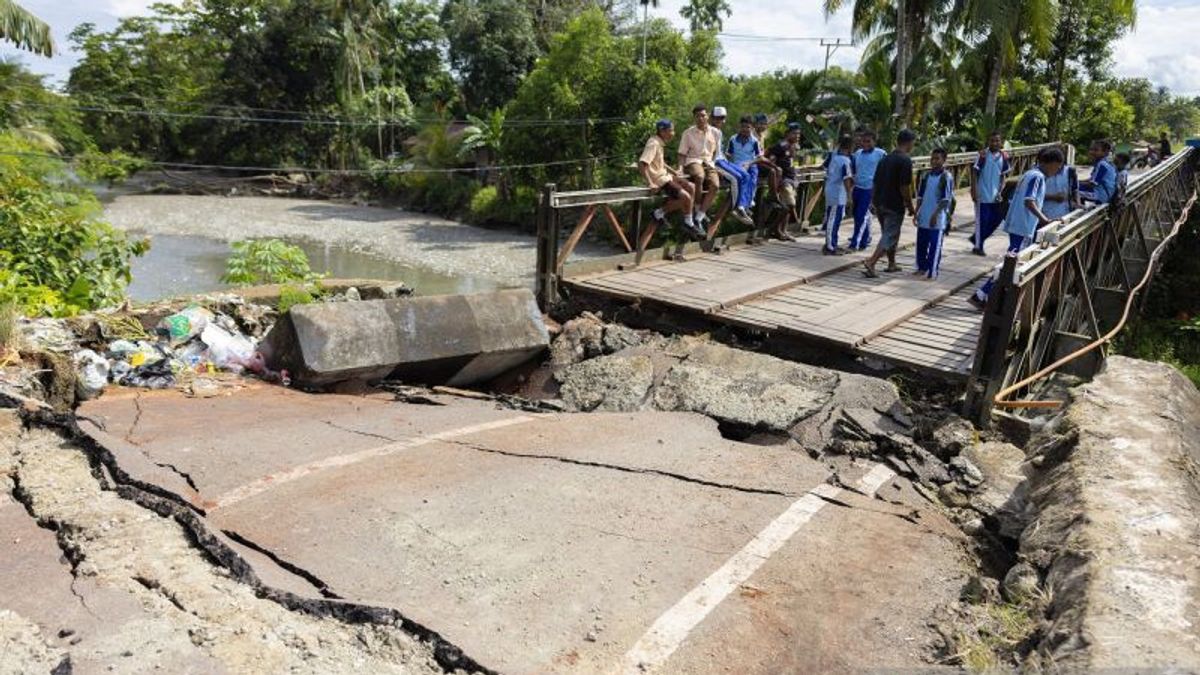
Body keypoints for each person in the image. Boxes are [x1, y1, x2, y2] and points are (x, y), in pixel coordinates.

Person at [968, 147, 1065, 309]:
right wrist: (1045, 220)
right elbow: (1029, 201)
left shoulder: (1029, 173)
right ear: (1052, 163)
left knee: (1012, 261)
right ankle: (981, 295)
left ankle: (987, 296)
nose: (1058, 170)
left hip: (1018, 224)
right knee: (1011, 264)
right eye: (1058, 166)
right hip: (1023, 226)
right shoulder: (1038, 177)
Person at [863, 129, 917, 278]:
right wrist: (910, 206)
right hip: (894, 204)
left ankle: (891, 263)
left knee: (889, 233)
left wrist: (873, 201)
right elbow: (904, 187)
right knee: (889, 235)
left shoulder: (885, 158)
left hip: (880, 202)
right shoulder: (905, 160)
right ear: (909, 143)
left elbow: (875, 181)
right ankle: (872, 262)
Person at [638, 119, 703, 241]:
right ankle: (688, 223)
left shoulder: (659, 142)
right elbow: (642, 163)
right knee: (686, 197)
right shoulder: (653, 144)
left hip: (666, 175)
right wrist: (650, 183)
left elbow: (660, 161)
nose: (673, 133)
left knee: (692, 187)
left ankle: (662, 214)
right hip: (659, 179)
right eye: (671, 130)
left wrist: (674, 172)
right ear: (662, 131)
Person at [677, 104, 722, 230]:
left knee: (715, 185)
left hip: (708, 162)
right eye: (698, 116)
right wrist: (680, 168)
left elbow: (716, 152)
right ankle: (696, 207)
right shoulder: (688, 133)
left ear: (707, 116)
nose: (701, 118)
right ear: (694, 118)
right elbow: (681, 153)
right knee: (699, 176)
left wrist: (713, 164)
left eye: (703, 115)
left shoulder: (716, 132)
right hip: (693, 160)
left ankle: (700, 216)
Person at [913, 148, 955, 280]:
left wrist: (935, 215)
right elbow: (920, 195)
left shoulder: (946, 177)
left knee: (935, 245)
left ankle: (932, 271)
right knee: (921, 243)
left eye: (937, 159)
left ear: (944, 160)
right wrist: (916, 212)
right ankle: (921, 267)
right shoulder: (926, 175)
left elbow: (945, 199)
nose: (934, 161)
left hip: (937, 217)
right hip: (924, 214)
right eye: (933, 158)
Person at [969, 131, 1012, 255]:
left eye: (997, 141)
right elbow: (974, 173)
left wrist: (1001, 191)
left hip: (995, 196)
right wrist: (974, 191)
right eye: (992, 141)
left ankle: (976, 238)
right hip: (982, 194)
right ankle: (978, 247)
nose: (995, 143)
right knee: (982, 221)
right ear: (988, 142)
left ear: (1001, 142)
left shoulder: (1004, 157)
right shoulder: (982, 155)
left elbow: (1003, 176)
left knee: (995, 221)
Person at [710, 106, 754, 225]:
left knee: (746, 175)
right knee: (736, 178)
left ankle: (742, 205)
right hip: (716, 162)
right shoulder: (710, 131)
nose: (720, 121)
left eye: (722, 118)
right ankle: (736, 208)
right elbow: (710, 153)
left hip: (723, 159)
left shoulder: (719, 131)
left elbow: (720, 151)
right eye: (717, 118)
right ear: (712, 118)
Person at [850, 129, 887, 250]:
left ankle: (856, 242)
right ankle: (864, 239)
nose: (865, 144)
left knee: (862, 215)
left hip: (870, 189)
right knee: (857, 215)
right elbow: (852, 169)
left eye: (868, 141)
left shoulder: (881, 154)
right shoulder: (858, 154)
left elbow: (886, 172)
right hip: (857, 188)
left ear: (874, 142)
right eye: (863, 141)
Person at [765, 123, 802, 241]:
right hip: (784, 179)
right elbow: (768, 154)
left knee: (786, 207)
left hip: (792, 179)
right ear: (787, 134)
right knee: (789, 205)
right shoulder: (781, 146)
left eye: (798, 134)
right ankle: (775, 229)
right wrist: (774, 168)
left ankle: (783, 231)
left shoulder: (795, 146)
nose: (797, 136)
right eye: (794, 133)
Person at [822, 134, 855, 255]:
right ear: (850, 147)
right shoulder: (845, 161)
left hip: (834, 191)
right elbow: (847, 179)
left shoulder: (834, 157)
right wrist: (850, 195)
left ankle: (833, 243)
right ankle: (830, 246)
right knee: (833, 219)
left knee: (836, 217)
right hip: (837, 193)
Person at [727, 115, 764, 215]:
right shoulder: (733, 139)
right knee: (742, 178)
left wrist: (749, 163)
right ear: (739, 127)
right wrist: (731, 165)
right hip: (737, 165)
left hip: (750, 163)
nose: (745, 129)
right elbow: (729, 154)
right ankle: (741, 205)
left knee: (753, 176)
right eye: (743, 126)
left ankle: (746, 203)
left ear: (752, 128)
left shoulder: (754, 141)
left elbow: (759, 157)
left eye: (748, 127)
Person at [1043, 153, 1080, 221]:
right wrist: (1053, 197)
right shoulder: (1042, 173)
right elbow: (1033, 197)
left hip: (1066, 214)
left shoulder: (1070, 171)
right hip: (1045, 216)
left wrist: (1078, 204)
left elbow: (1075, 189)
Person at [1079, 139, 1117, 205]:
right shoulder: (1106, 163)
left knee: (1071, 191)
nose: (1092, 152)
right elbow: (1093, 179)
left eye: (1096, 150)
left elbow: (1093, 184)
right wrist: (1078, 182)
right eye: (1091, 149)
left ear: (1105, 152)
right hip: (1104, 193)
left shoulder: (1102, 164)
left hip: (1101, 195)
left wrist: (1075, 183)